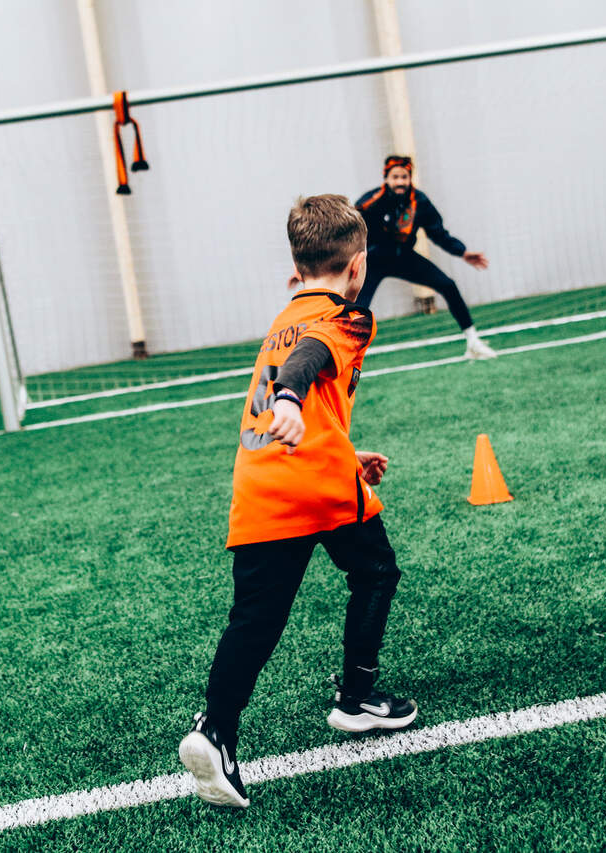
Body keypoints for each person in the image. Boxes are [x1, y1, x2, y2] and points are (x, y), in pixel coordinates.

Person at [179, 194, 417, 809]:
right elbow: (309, 362)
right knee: (376, 571)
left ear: (295, 268)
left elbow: (305, 379)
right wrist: (289, 396)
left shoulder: (281, 320)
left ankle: (215, 730)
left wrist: (344, 449)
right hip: (316, 484)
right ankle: (357, 698)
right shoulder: (347, 317)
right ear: (358, 265)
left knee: (255, 619)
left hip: (261, 483)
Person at [355, 155, 497, 359]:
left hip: (404, 257)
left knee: (448, 285)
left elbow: (438, 233)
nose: (400, 182)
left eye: (404, 177)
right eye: (395, 177)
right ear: (386, 178)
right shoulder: (370, 201)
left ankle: (473, 341)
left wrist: (462, 252)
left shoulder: (419, 201)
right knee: (357, 309)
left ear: (410, 178)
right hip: (374, 261)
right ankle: (344, 356)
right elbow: (348, 231)